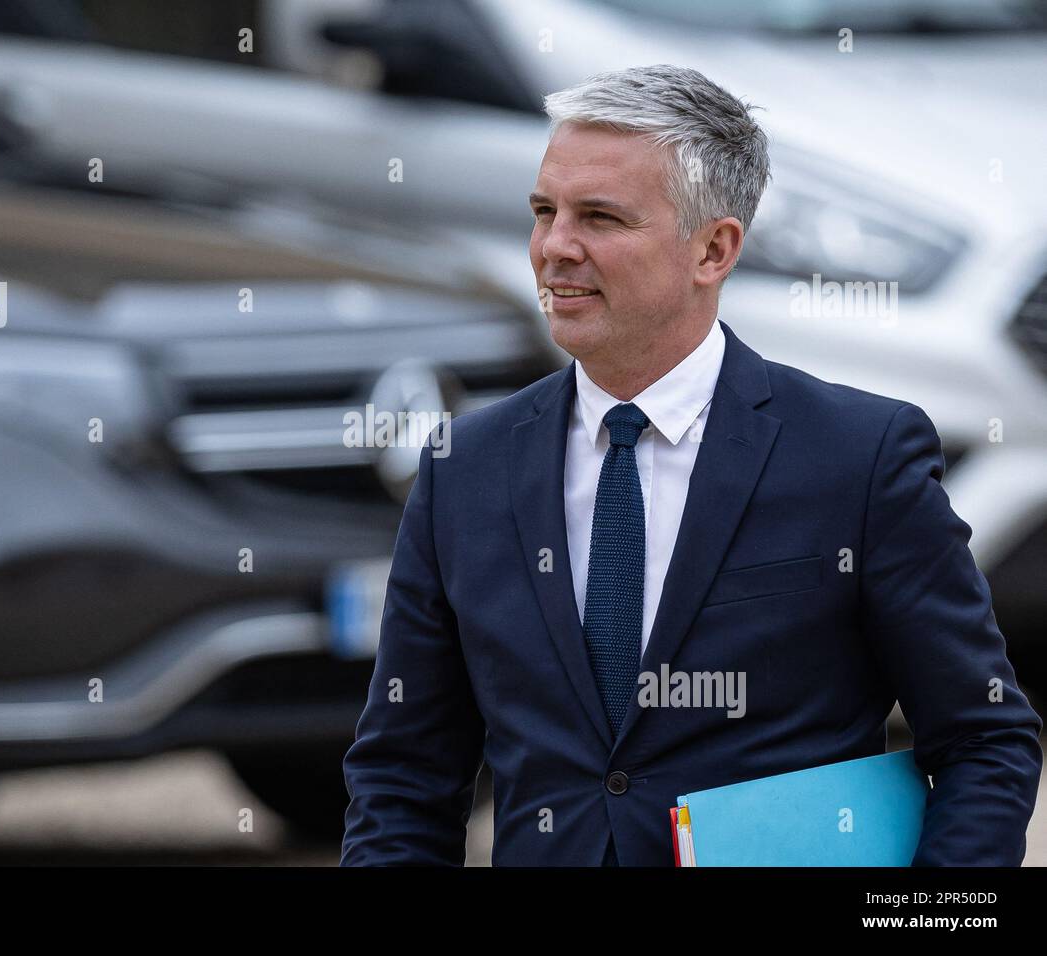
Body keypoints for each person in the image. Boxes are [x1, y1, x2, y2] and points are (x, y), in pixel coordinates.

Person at [340, 65, 1042, 866]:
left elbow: (983, 744)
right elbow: (402, 779)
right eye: (544, 211)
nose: (554, 247)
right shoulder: (464, 467)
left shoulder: (860, 457)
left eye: (599, 217)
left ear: (714, 249)